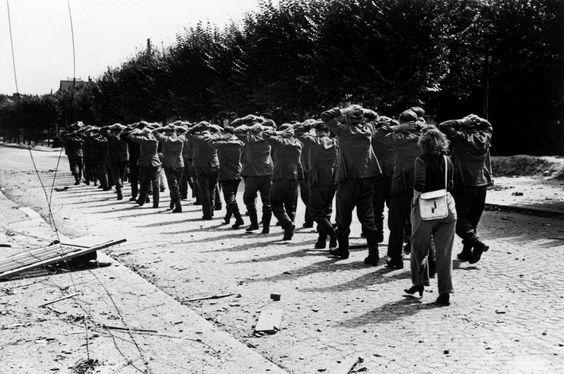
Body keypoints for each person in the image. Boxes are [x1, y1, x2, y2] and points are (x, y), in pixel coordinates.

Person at [321, 105, 382, 263]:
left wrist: (345, 110)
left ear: (348, 118)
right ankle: (374, 254)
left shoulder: (344, 131)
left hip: (348, 178)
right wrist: (363, 110)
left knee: (343, 217)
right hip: (368, 176)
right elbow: (375, 116)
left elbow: (326, 116)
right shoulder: (368, 128)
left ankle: (343, 250)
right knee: (368, 217)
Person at [405, 128, 456, 306]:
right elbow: (450, 184)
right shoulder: (448, 160)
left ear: (423, 144)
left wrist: (414, 204)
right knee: (444, 253)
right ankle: (445, 293)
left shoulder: (421, 160)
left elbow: (419, 184)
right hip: (447, 206)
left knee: (418, 248)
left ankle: (418, 283)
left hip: (426, 206)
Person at [439, 114, 493, 264]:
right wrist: (477, 119)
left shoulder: (460, 137)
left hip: (463, 182)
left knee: (457, 218)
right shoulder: (485, 137)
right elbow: (489, 126)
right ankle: (466, 251)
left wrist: (461, 120)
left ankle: (477, 244)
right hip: (481, 183)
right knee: (472, 219)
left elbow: (443, 125)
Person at [383, 110, 427, 269]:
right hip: (421, 186)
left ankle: (395, 258)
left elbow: (378, 136)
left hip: (400, 185)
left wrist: (398, 127)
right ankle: (427, 261)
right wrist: (424, 127)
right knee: (421, 224)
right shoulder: (424, 138)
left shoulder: (399, 139)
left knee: (397, 224)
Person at [296, 120, 339, 249]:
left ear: (316, 131)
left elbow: (298, 132)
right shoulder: (336, 142)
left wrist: (309, 125)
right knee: (326, 210)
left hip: (317, 179)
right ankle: (322, 239)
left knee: (315, 211)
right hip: (332, 179)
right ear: (329, 131)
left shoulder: (314, 141)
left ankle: (332, 233)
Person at [233, 115, 275, 233]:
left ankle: (254, 224)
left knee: (248, 198)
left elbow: (236, 130)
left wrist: (248, 127)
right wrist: (260, 126)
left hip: (252, 172)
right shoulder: (268, 136)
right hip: (267, 171)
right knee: (267, 200)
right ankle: (266, 227)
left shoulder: (250, 138)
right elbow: (274, 127)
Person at [263, 123, 303, 240]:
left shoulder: (280, 142)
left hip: (281, 176)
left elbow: (265, 134)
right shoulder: (298, 143)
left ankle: (287, 224)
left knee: (275, 204)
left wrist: (279, 133)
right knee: (291, 206)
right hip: (294, 177)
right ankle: (288, 233)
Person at [187, 122, 221, 220]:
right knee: (212, 188)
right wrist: (212, 127)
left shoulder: (197, 138)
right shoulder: (214, 136)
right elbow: (219, 131)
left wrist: (195, 127)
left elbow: (187, 134)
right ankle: (212, 209)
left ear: (200, 129)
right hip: (214, 165)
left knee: (204, 189)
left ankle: (207, 213)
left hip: (201, 165)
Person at [153, 123, 185, 213]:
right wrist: (178, 128)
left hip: (169, 165)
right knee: (175, 186)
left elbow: (154, 132)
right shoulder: (181, 138)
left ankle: (178, 205)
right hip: (179, 164)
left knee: (173, 186)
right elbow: (187, 132)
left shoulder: (165, 139)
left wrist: (163, 128)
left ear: (167, 132)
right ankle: (172, 203)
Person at [128, 123, 161, 208]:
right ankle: (156, 203)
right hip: (155, 162)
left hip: (144, 163)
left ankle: (141, 201)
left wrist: (138, 132)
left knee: (144, 183)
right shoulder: (155, 140)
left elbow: (130, 136)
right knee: (155, 183)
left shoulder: (142, 139)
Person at [103, 123, 130, 200]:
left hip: (113, 158)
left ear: (113, 131)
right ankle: (120, 186)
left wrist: (109, 126)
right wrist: (124, 126)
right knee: (121, 174)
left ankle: (119, 188)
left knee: (116, 175)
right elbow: (130, 130)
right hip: (124, 158)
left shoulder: (110, 137)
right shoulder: (125, 137)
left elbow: (102, 130)